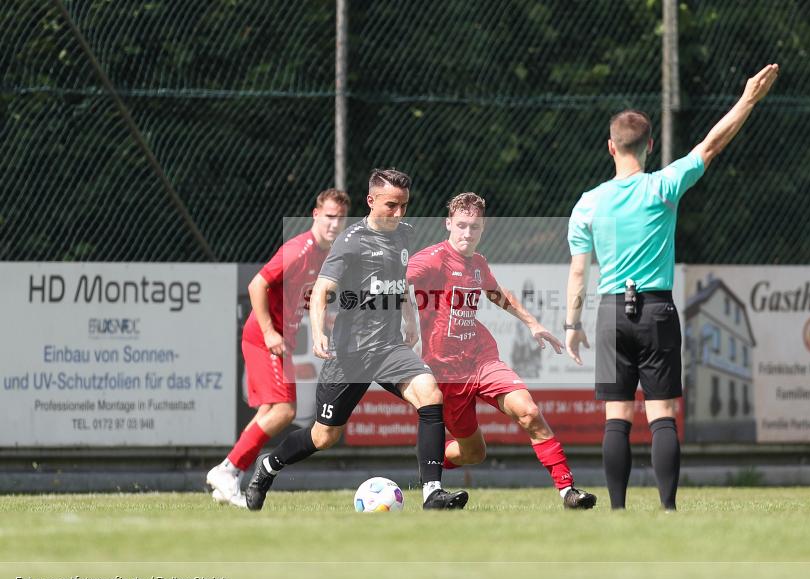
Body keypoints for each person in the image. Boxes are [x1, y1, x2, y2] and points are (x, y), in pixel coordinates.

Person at [565, 64, 780, 510]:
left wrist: (571, 323)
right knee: (661, 415)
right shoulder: (662, 186)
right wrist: (748, 99)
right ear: (649, 144)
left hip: (608, 314)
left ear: (610, 147)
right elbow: (712, 144)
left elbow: (578, 272)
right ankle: (667, 508)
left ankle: (619, 510)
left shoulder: (587, 203)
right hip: (656, 311)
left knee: (616, 419)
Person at [244, 168, 468, 511]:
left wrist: (410, 320)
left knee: (430, 394)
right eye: (391, 205)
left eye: (404, 205)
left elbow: (401, 282)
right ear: (370, 201)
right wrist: (319, 333)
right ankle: (268, 467)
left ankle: (432, 494)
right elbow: (321, 290)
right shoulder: (350, 242)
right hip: (350, 355)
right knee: (324, 436)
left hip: (390, 347)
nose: (398, 213)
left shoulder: (403, 234)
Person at [407, 192, 597, 509]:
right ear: (448, 224)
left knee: (529, 412)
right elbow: (394, 281)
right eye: (462, 226)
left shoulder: (478, 263)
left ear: (484, 228)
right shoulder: (432, 259)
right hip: (446, 373)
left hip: (482, 360)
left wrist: (532, 323)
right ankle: (432, 463)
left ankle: (568, 491)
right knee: (474, 453)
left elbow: (497, 294)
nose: (468, 233)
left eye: (475, 227)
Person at [206, 188, 350, 507]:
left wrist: (320, 327)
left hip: (279, 338)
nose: (334, 224)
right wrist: (270, 332)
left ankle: (231, 478)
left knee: (268, 412)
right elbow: (257, 283)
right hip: (264, 336)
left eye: (339, 219)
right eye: (328, 216)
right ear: (315, 215)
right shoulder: (299, 249)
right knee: (285, 411)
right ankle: (227, 470)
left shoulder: (327, 257)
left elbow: (313, 299)